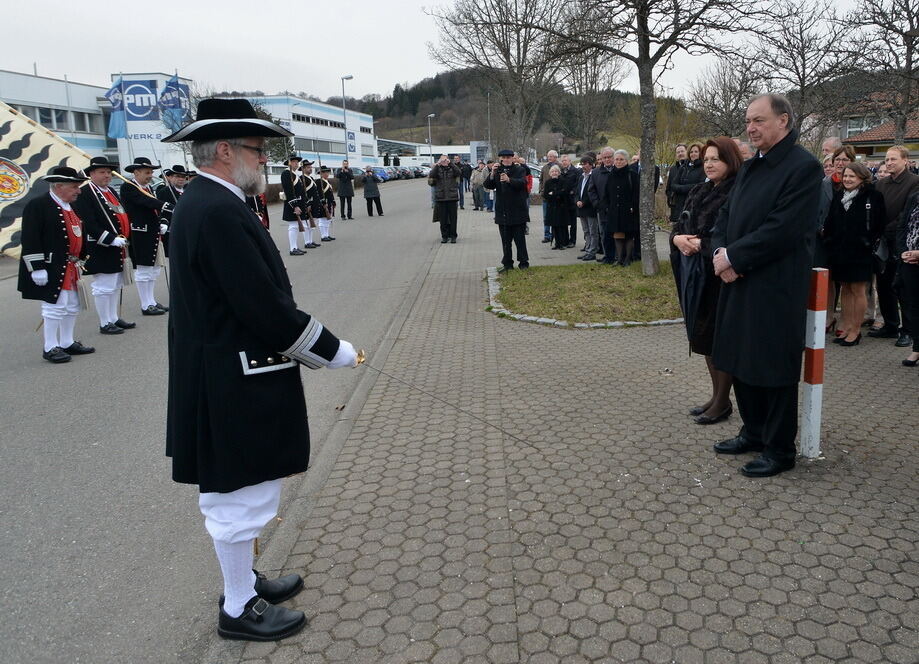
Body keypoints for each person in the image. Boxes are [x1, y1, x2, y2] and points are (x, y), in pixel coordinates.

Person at [161, 98, 359, 642]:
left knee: (244, 488)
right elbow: (261, 305)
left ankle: (243, 582)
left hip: (231, 368)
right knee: (236, 498)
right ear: (224, 150)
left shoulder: (211, 200)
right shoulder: (216, 208)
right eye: (256, 148)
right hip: (231, 374)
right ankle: (237, 607)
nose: (264, 159)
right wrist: (332, 349)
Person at [710, 93, 823, 478]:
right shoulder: (753, 164)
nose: (751, 128)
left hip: (775, 285)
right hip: (739, 279)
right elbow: (726, 212)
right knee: (742, 359)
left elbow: (783, 229)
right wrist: (720, 253)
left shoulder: (803, 167)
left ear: (784, 121)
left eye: (758, 120)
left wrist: (734, 258)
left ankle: (779, 450)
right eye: (748, 121)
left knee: (772, 366)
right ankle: (753, 432)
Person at [670, 138, 742, 425]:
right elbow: (679, 224)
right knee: (702, 338)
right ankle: (716, 396)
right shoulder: (699, 189)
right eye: (707, 159)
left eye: (717, 159)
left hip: (719, 278)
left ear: (731, 161)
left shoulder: (737, 192)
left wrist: (700, 244)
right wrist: (677, 239)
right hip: (694, 275)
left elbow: (732, 236)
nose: (710, 164)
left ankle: (723, 402)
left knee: (718, 341)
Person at [17, 166, 96, 363]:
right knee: (54, 306)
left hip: (71, 264)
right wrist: (37, 267)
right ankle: (50, 346)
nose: (79, 190)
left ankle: (67, 341)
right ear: (59, 186)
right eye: (75, 186)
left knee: (71, 306)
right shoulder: (38, 205)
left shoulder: (72, 205)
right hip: (51, 265)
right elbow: (30, 237)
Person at [823, 162, 886, 346]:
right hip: (840, 252)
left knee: (858, 290)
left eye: (852, 176)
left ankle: (856, 331)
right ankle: (847, 327)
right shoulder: (839, 196)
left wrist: (866, 242)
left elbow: (879, 224)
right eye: (845, 176)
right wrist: (829, 240)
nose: (848, 179)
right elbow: (831, 221)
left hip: (861, 253)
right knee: (845, 289)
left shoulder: (873, 196)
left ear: (862, 177)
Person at [72, 156, 134, 335]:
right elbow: (87, 221)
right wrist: (109, 238)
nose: (107, 175)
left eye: (108, 172)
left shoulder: (109, 191)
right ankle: (104, 322)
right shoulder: (86, 192)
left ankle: (113, 317)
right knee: (103, 285)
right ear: (91, 173)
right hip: (100, 245)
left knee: (114, 284)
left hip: (117, 244)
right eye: (102, 172)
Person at [871, 146, 919, 347]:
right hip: (882, 241)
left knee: (903, 288)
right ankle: (890, 324)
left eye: (893, 159)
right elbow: (876, 209)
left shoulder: (915, 182)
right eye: (887, 159)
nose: (889, 163)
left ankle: (907, 331)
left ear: (905, 161)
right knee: (883, 284)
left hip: (903, 242)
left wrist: (889, 229)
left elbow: (908, 215)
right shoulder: (881, 183)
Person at [121, 157, 168, 316]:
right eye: (147, 172)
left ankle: (151, 301)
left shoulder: (148, 188)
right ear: (136, 172)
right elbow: (146, 202)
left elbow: (154, 208)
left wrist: (161, 220)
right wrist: (168, 206)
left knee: (153, 270)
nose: (150, 175)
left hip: (152, 231)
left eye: (151, 172)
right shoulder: (129, 187)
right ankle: (145, 304)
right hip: (139, 232)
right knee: (144, 270)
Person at [484, 149, 529, 271]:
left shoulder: (519, 169)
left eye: (509, 157)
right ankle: (507, 264)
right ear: (500, 159)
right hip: (502, 211)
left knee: (520, 240)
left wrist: (509, 180)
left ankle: (523, 262)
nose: (506, 159)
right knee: (505, 241)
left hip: (517, 210)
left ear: (512, 158)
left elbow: (522, 183)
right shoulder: (497, 170)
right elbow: (487, 185)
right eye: (504, 157)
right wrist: (492, 173)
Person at [605, 149, 640, 267]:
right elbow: (607, 193)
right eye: (617, 159)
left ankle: (628, 259)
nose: (618, 162)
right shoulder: (611, 175)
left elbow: (636, 193)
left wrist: (633, 206)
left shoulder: (632, 175)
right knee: (618, 235)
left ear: (626, 161)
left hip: (628, 210)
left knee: (629, 235)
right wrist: (607, 207)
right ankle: (619, 259)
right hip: (615, 210)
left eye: (621, 159)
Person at [897, 190, 919, 366]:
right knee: (913, 306)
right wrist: (903, 251)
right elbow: (903, 225)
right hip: (910, 261)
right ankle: (917, 349)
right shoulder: (914, 196)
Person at [588, 147, 615, 263]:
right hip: (602, 209)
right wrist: (597, 204)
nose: (607, 159)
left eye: (609, 157)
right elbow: (591, 190)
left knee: (618, 233)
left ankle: (619, 255)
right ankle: (608, 256)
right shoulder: (595, 172)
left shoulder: (619, 170)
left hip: (617, 209)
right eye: (605, 157)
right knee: (604, 233)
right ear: (601, 159)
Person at [667, 144, 705, 227]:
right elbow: (673, 185)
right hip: (680, 207)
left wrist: (680, 188)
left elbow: (700, 185)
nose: (693, 154)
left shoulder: (704, 167)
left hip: (695, 206)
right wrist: (687, 188)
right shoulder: (684, 167)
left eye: (696, 151)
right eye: (691, 152)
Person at [156, 164, 189, 259]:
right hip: (171, 230)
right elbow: (160, 210)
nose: (181, 179)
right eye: (178, 176)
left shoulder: (189, 191)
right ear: (170, 177)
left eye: (183, 177)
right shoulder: (165, 191)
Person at [429, 154, 461, 243]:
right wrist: (437, 164)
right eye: (442, 159)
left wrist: (450, 163)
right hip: (441, 197)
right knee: (443, 219)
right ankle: (444, 236)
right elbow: (431, 175)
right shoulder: (437, 168)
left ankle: (453, 236)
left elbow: (458, 173)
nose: (444, 161)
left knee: (453, 218)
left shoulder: (452, 167)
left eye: (445, 159)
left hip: (452, 197)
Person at [280, 154, 306, 255]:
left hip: (298, 203)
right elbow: (289, 191)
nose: (296, 163)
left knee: (295, 226)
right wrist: (295, 205)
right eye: (294, 161)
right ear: (289, 163)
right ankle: (292, 248)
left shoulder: (295, 175)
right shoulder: (286, 174)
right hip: (292, 204)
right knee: (293, 226)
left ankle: (295, 247)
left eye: (297, 162)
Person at [575, 155, 599, 261]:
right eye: (581, 164)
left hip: (590, 208)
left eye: (584, 164)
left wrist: (584, 202)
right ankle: (588, 249)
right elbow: (577, 192)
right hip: (581, 209)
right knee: (586, 231)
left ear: (590, 165)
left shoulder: (593, 176)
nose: (582, 166)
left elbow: (592, 193)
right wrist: (577, 201)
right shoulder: (581, 177)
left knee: (593, 231)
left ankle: (592, 251)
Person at [543, 165, 570, 249]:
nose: (554, 173)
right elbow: (545, 195)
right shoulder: (547, 182)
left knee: (561, 226)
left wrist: (553, 193)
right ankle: (556, 244)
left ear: (559, 173)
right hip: (551, 207)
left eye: (556, 171)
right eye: (552, 171)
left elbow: (564, 192)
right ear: (550, 173)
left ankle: (562, 243)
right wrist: (556, 194)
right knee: (554, 226)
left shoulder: (563, 181)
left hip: (561, 207)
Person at [299, 161, 322, 249]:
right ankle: (307, 242)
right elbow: (303, 193)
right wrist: (307, 203)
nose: (310, 168)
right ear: (303, 169)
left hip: (314, 203)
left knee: (311, 224)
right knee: (307, 224)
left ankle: (310, 240)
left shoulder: (310, 178)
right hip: (308, 204)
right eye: (308, 167)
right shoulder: (302, 178)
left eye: (310, 167)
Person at [559, 155, 580, 248]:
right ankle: (565, 240)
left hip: (572, 200)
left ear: (570, 161)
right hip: (563, 201)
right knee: (564, 222)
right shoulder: (561, 171)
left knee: (573, 223)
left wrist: (573, 192)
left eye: (565, 160)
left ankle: (573, 240)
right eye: (562, 161)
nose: (564, 162)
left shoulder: (575, 171)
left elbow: (578, 183)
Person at [540, 150, 559, 243]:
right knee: (546, 217)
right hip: (545, 197)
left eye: (551, 156)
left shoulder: (559, 167)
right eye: (548, 156)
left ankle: (556, 235)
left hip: (556, 198)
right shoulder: (545, 167)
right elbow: (541, 180)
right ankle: (547, 235)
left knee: (556, 217)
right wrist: (541, 191)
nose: (549, 158)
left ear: (555, 157)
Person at [317, 166, 336, 242]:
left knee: (328, 220)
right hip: (323, 203)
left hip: (329, 202)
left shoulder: (328, 181)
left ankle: (327, 234)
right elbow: (320, 193)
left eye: (327, 172)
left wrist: (333, 201)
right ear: (321, 173)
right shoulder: (319, 182)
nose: (326, 174)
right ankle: (323, 236)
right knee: (322, 220)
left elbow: (330, 193)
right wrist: (323, 202)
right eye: (324, 172)